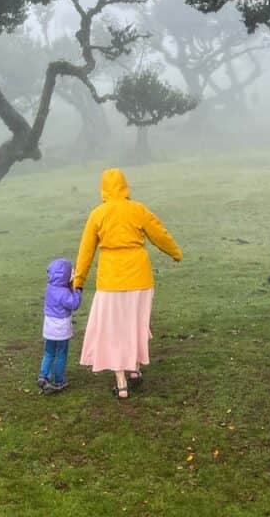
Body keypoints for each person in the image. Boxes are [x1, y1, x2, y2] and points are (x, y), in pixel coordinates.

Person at [72, 167, 182, 400]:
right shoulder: (137, 209)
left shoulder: (98, 214)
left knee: (113, 330)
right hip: (140, 279)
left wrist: (79, 280)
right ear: (125, 186)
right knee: (134, 324)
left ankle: (121, 383)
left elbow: (86, 250)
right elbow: (159, 233)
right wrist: (174, 252)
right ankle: (133, 369)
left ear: (103, 188)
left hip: (111, 281)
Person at [37, 257, 82, 394]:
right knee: (61, 353)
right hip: (61, 328)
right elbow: (74, 304)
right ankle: (59, 380)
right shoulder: (64, 292)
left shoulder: (50, 288)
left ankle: (43, 375)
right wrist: (77, 291)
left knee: (49, 352)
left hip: (49, 326)